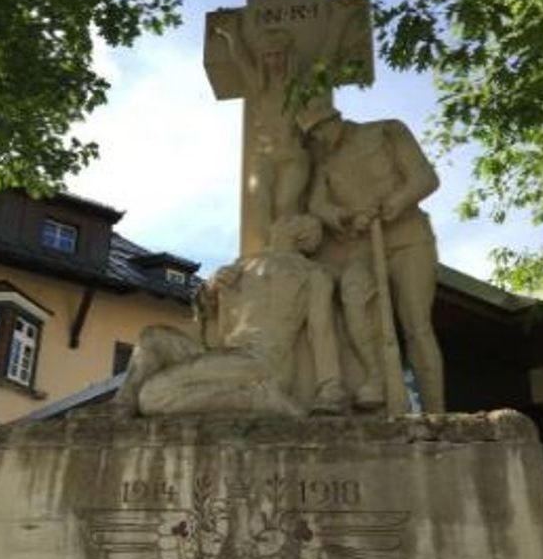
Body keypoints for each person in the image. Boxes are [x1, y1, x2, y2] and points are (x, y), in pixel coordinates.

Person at [115, 214, 347, 416]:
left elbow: (321, 330)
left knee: (153, 397)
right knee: (152, 337)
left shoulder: (312, 274)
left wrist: (330, 387)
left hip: (263, 361)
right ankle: (119, 407)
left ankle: (260, 399)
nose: (278, 221)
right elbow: (205, 318)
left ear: (302, 235)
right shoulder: (244, 265)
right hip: (225, 354)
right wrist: (210, 288)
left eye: (289, 220)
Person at [297, 104, 445, 413]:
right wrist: (345, 216)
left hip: (408, 238)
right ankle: (375, 376)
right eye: (313, 136)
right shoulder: (325, 162)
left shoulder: (387, 130)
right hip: (363, 245)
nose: (319, 139)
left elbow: (425, 178)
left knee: (416, 323)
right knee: (353, 295)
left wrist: (395, 203)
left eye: (321, 129)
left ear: (334, 119)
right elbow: (317, 205)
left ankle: (435, 411)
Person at [212, 21, 309, 245]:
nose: (274, 61)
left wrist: (340, 22)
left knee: (286, 204)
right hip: (264, 155)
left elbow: (327, 56)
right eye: (268, 56)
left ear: (288, 56)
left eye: (278, 55)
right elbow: (241, 58)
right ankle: (268, 250)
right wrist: (231, 33)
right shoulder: (258, 85)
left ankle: (285, 249)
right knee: (258, 197)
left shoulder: (299, 87)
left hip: (293, 155)